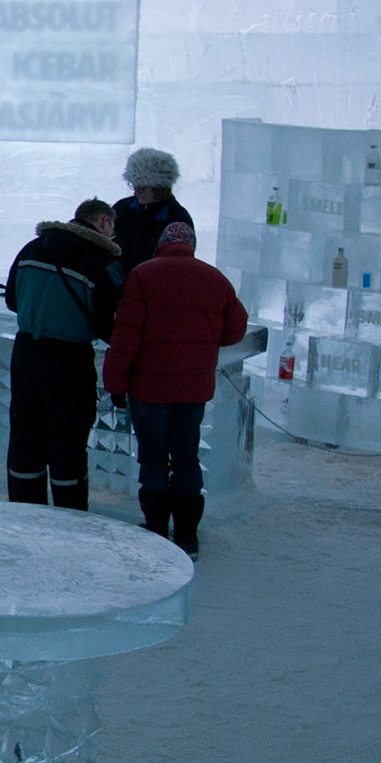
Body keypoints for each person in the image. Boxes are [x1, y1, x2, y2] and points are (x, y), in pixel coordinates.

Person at [102, 220, 249, 557]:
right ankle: (186, 534)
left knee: (153, 460)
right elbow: (234, 330)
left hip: (149, 389)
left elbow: (125, 338)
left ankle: (155, 530)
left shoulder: (143, 276)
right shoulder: (215, 278)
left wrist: (116, 385)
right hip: (194, 389)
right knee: (186, 458)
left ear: (162, 243)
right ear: (191, 245)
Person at [3, 198, 124, 511]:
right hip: (69, 360)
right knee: (67, 440)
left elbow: (12, 300)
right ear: (102, 222)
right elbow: (107, 323)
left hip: (26, 352)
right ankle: (69, 519)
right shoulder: (100, 261)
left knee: (26, 436)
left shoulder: (32, 248)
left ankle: (25, 511)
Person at [112, 147, 193, 276]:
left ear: (160, 188)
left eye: (142, 188)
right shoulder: (122, 208)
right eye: (134, 186)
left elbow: (181, 265)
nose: (136, 192)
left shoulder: (178, 219)